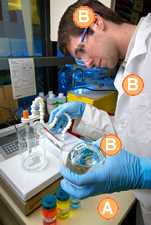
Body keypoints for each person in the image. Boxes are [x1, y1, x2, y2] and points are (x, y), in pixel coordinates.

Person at [49, 1, 151, 224]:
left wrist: (142, 171)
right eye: (78, 59)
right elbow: (133, 130)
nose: (86, 64)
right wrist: (83, 114)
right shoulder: (125, 68)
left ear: (96, 22)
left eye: (81, 50)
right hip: (145, 201)